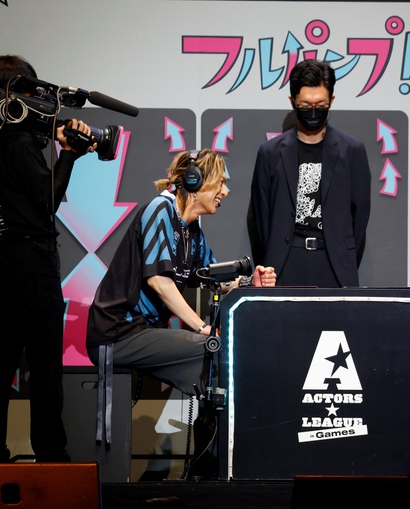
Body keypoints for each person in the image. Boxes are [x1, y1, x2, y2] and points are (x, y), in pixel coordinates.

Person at [87, 149, 276, 476]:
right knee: (214, 350)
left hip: (143, 333)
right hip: (116, 333)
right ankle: (204, 469)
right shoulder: (160, 210)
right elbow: (159, 281)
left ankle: (207, 468)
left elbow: (212, 278)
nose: (226, 191)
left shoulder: (192, 231)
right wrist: (203, 328)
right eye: (220, 182)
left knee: (217, 369)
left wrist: (249, 282)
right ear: (194, 181)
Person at [0, 54, 99, 463]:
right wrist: (70, 155)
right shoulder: (18, 142)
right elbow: (46, 201)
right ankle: (51, 459)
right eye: (29, 91)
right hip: (31, 268)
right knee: (44, 371)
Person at [250, 58, 371, 287]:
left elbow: (360, 215)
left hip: (335, 265)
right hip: (283, 264)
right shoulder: (270, 153)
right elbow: (261, 216)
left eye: (321, 105)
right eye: (305, 105)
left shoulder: (352, 151)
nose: (313, 112)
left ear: (331, 101)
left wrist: (342, 254)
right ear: (293, 102)